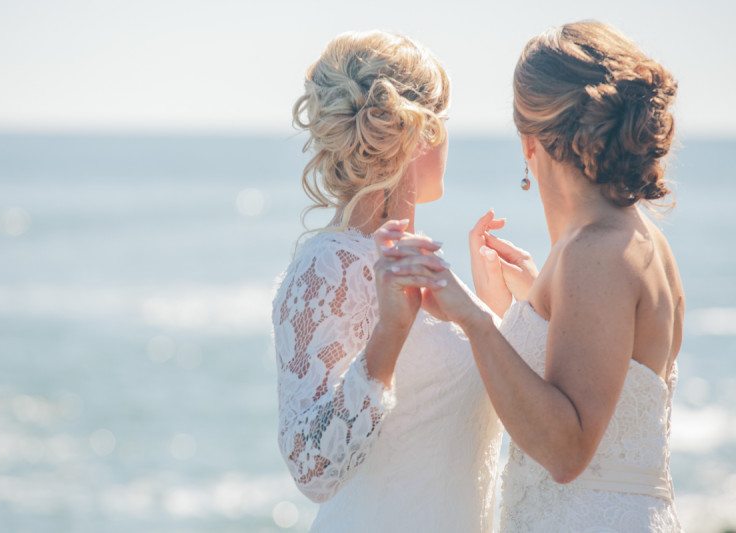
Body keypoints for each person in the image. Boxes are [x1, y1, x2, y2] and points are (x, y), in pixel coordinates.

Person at [387, 20, 683, 532]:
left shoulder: (596, 252)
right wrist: (531, 300)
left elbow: (566, 451)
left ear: (530, 142)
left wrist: (473, 318)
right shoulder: (633, 237)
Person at [271, 30, 502, 532]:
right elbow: (311, 469)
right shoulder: (325, 268)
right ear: (422, 132)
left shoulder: (424, 265)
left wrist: (495, 309)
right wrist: (388, 336)